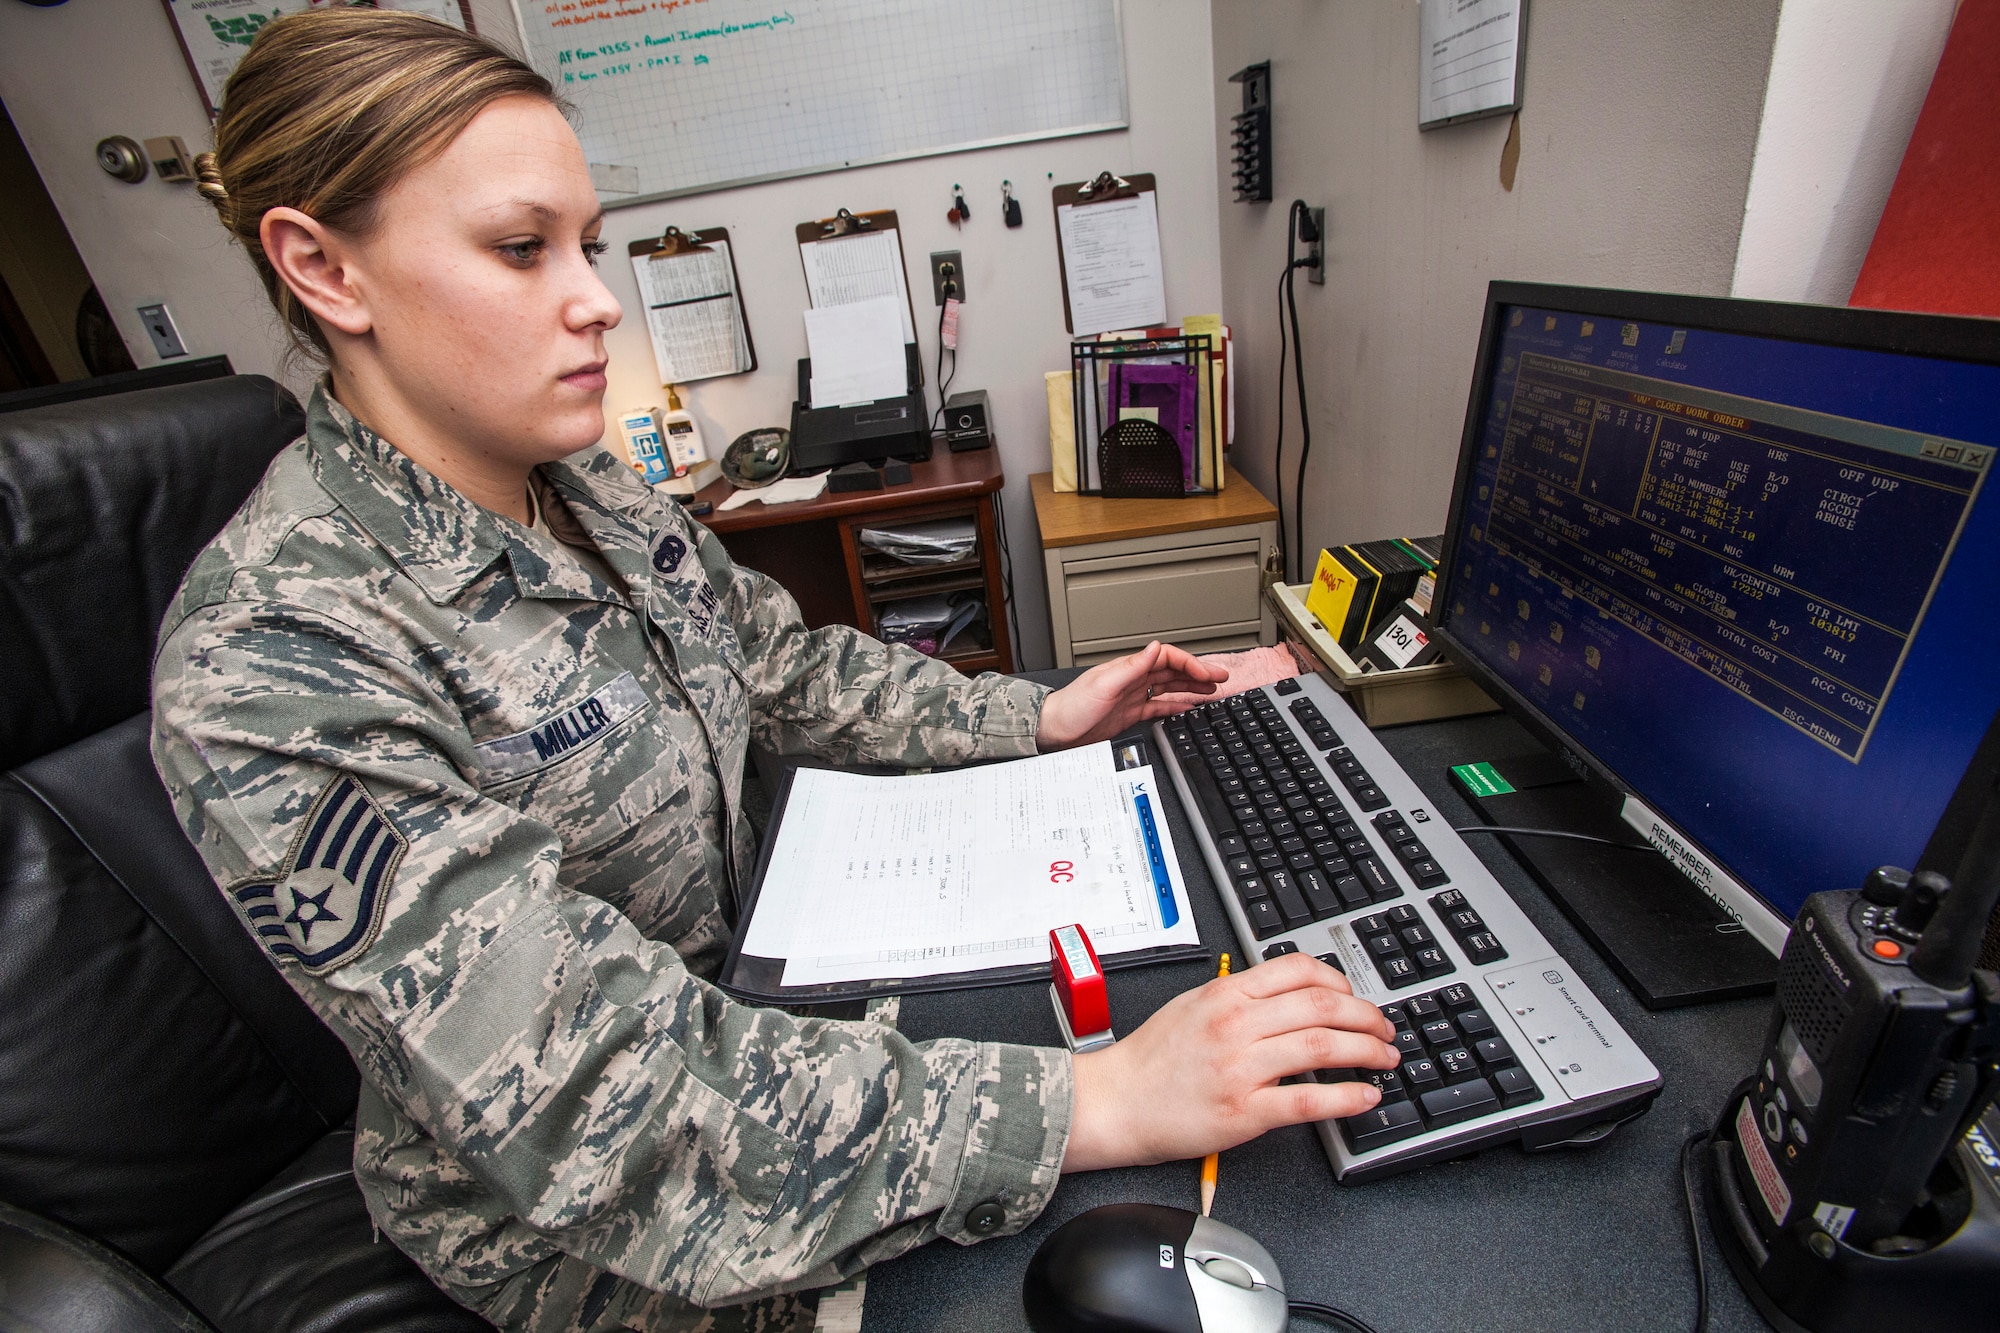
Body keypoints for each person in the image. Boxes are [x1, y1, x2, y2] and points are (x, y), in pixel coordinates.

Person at [151, 11, 1398, 1330]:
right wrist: (1098, 1100)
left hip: (783, 992)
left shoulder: (585, 487)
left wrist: (1037, 711)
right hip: (601, 1209)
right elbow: (588, 1093)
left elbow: (784, 666)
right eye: (523, 249)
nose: (594, 298)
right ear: (323, 269)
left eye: (589, 244)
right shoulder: (276, 653)